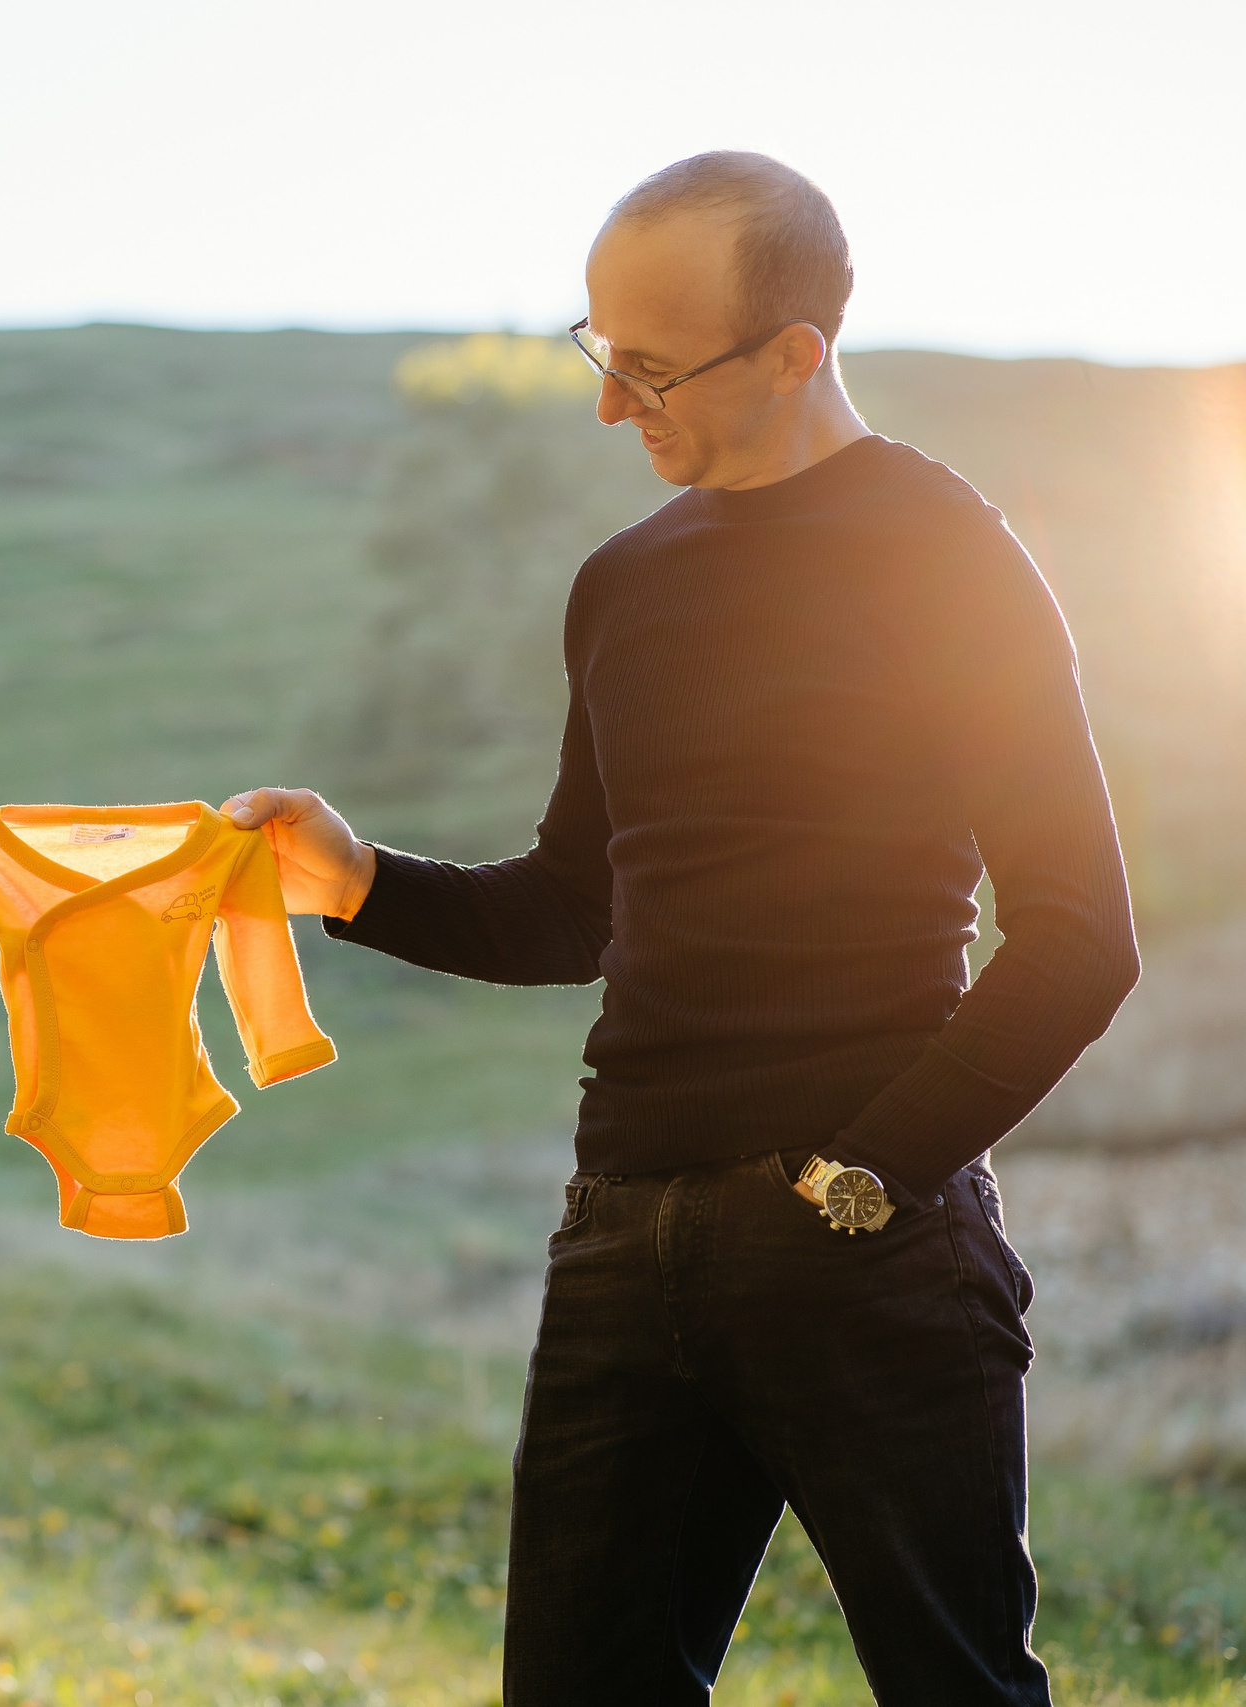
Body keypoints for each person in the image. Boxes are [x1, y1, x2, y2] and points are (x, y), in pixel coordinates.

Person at [225, 152, 1137, 1704]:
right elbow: (577, 907)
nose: (607, 408)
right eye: (596, 352)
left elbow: (1079, 936)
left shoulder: (948, 554)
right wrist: (356, 876)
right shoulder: (622, 584)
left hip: (871, 1254)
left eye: (646, 369)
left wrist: (862, 1184)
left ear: (797, 351)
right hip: (620, 1240)